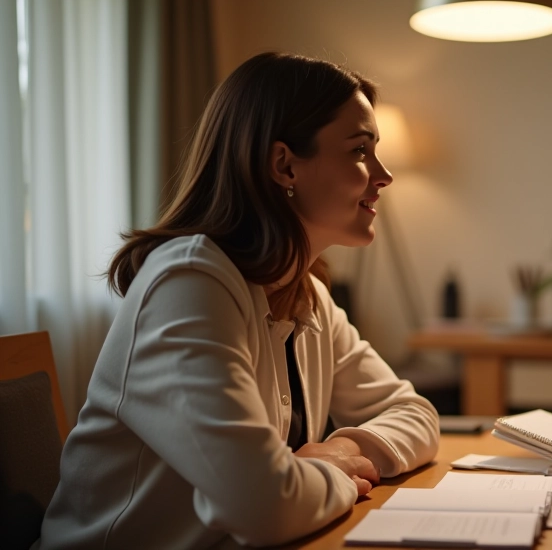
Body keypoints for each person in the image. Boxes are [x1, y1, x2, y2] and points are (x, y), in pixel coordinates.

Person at [38, 52, 440, 548]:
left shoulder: (305, 293)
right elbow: (261, 506)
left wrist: (342, 448)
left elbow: (416, 414)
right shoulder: (189, 284)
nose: (383, 175)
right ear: (284, 165)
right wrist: (322, 475)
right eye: (360, 150)